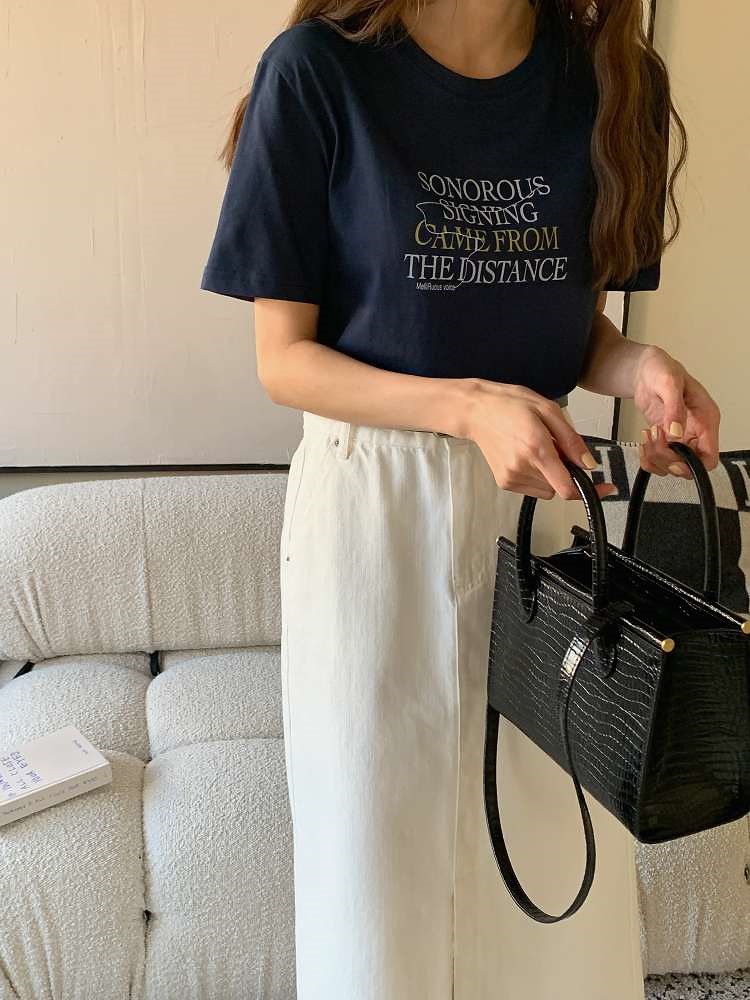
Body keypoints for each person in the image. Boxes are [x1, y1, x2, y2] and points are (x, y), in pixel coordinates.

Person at [199, 1, 720, 996]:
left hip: (544, 516)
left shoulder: (616, 81)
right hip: (371, 515)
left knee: (551, 868)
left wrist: (642, 369)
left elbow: (574, 333)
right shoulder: (318, 73)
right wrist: (468, 408)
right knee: (373, 877)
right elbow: (284, 360)